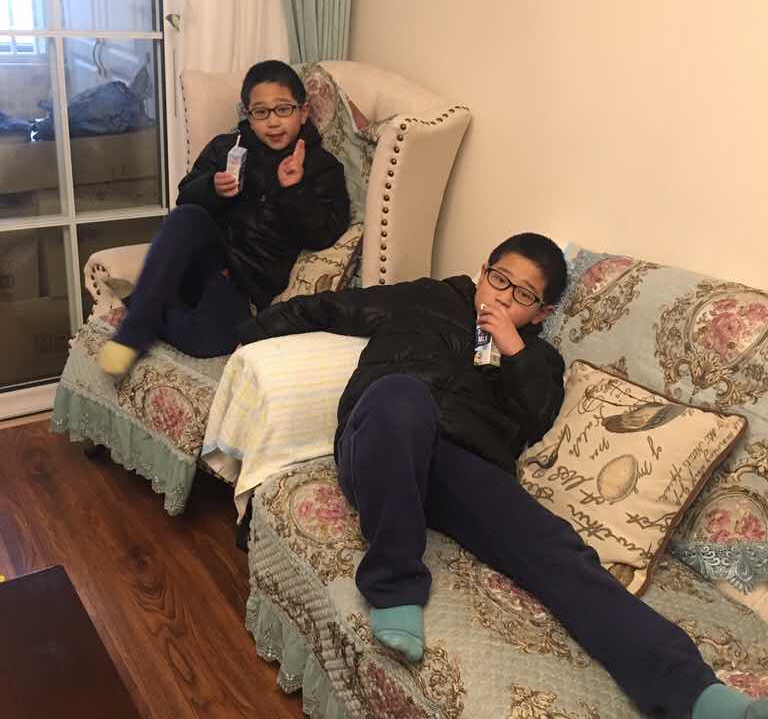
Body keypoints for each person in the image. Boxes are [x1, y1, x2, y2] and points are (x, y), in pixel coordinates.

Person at [239, 232, 767, 719]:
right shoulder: (426, 298)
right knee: (401, 394)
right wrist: (247, 334)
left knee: (555, 546)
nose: (502, 297)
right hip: (381, 444)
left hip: (460, 470)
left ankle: (695, 692)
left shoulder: (539, 359)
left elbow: (539, 418)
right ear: (483, 271)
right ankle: (395, 585)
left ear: (542, 311)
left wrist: (515, 352)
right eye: (498, 279)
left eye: (523, 295)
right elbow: (332, 307)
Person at [97, 60, 350, 376]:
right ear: (249, 116)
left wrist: (293, 190)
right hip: (203, 261)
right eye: (261, 112)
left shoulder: (323, 167)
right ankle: (133, 334)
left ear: (303, 111)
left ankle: (143, 301)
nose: (273, 122)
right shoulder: (225, 147)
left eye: (283, 109)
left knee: (207, 341)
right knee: (187, 216)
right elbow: (185, 198)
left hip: (246, 285)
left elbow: (323, 234)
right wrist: (211, 187)